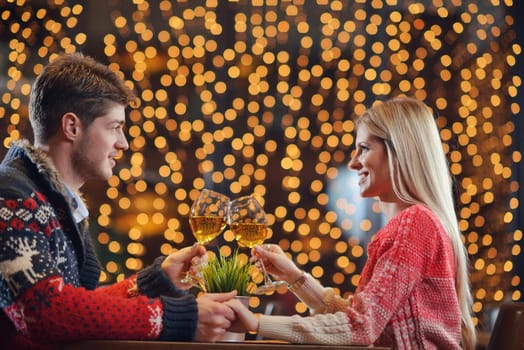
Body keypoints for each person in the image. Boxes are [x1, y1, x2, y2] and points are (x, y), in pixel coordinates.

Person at [0, 53, 237, 349]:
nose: (123, 143)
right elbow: (47, 312)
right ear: (72, 127)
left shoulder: (54, 203)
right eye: (115, 127)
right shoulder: (12, 197)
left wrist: (155, 281)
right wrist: (178, 318)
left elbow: (79, 312)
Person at [227, 97, 477, 350]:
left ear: (398, 151)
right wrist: (294, 277)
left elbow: (361, 327)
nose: (353, 162)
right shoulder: (418, 223)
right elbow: (364, 317)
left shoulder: (414, 224)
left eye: (364, 148)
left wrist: (257, 322)